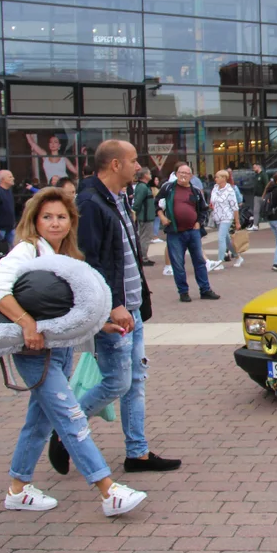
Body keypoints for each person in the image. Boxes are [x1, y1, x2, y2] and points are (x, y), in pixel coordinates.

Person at [0, 187, 147, 516]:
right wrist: (26, 323)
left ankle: (18, 489)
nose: (54, 223)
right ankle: (107, 490)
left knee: (38, 423)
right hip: (33, 352)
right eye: (47, 217)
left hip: (57, 351)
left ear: (71, 221)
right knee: (71, 417)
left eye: (61, 217)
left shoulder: (68, 257)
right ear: (35, 220)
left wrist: (101, 325)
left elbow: (68, 307)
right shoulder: (27, 251)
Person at [70, 141, 181, 476]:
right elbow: (89, 262)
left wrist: (133, 303)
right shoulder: (90, 203)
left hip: (130, 308)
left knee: (135, 382)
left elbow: (125, 255)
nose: (139, 167)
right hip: (114, 311)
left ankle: (138, 453)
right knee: (117, 383)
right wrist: (112, 306)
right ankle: (63, 427)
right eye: (134, 161)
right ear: (115, 164)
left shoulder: (118, 199)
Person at [155, 162, 220, 303]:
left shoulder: (195, 190)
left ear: (191, 176)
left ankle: (205, 289)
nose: (183, 175)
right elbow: (156, 203)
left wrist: (198, 223)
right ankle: (183, 292)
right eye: (181, 172)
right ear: (176, 174)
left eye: (186, 173)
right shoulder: (168, 188)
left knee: (199, 261)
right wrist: (162, 217)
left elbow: (203, 209)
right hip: (175, 232)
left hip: (193, 231)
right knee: (178, 263)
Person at [210, 170, 242, 270]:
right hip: (218, 217)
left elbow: (235, 207)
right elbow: (213, 201)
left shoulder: (230, 190)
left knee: (221, 238)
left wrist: (237, 222)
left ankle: (220, 262)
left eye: (218, 177)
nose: (216, 179)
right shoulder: (215, 188)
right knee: (227, 240)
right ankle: (238, 257)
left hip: (227, 217)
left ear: (224, 178)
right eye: (215, 177)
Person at [131, 170, 155, 265]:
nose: (150, 175)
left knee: (144, 237)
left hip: (146, 216)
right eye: (149, 173)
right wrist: (134, 211)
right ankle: (143, 258)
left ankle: (143, 257)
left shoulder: (143, 186)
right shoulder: (142, 187)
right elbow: (138, 202)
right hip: (145, 217)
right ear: (145, 175)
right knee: (145, 237)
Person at [250, 163, 267, 231]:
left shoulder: (263, 175)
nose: (254, 169)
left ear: (259, 166)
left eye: (255, 167)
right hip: (257, 196)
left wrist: (265, 195)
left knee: (266, 210)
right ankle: (255, 225)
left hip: (263, 196)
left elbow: (266, 185)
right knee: (256, 211)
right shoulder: (256, 175)